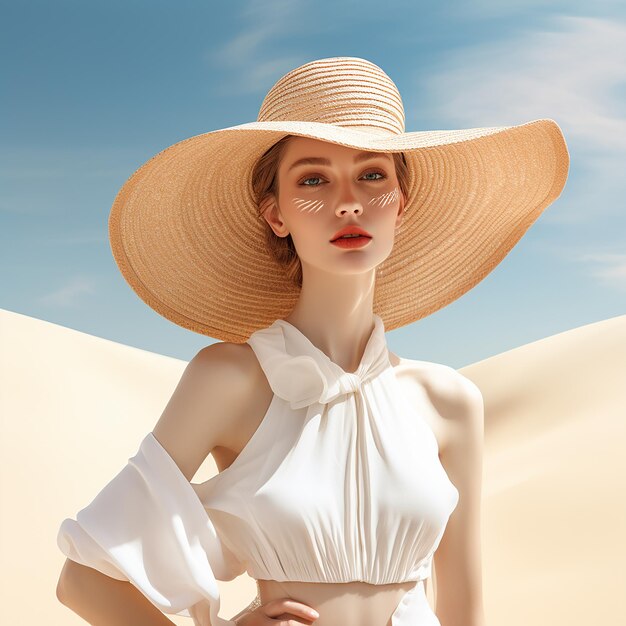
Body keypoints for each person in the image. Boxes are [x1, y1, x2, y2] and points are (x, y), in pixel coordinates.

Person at [55, 56, 570, 626]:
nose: (348, 200)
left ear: (401, 205)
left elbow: (466, 614)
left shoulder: (449, 401)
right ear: (275, 215)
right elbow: (84, 580)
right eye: (313, 179)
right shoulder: (230, 378)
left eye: (372, 174)